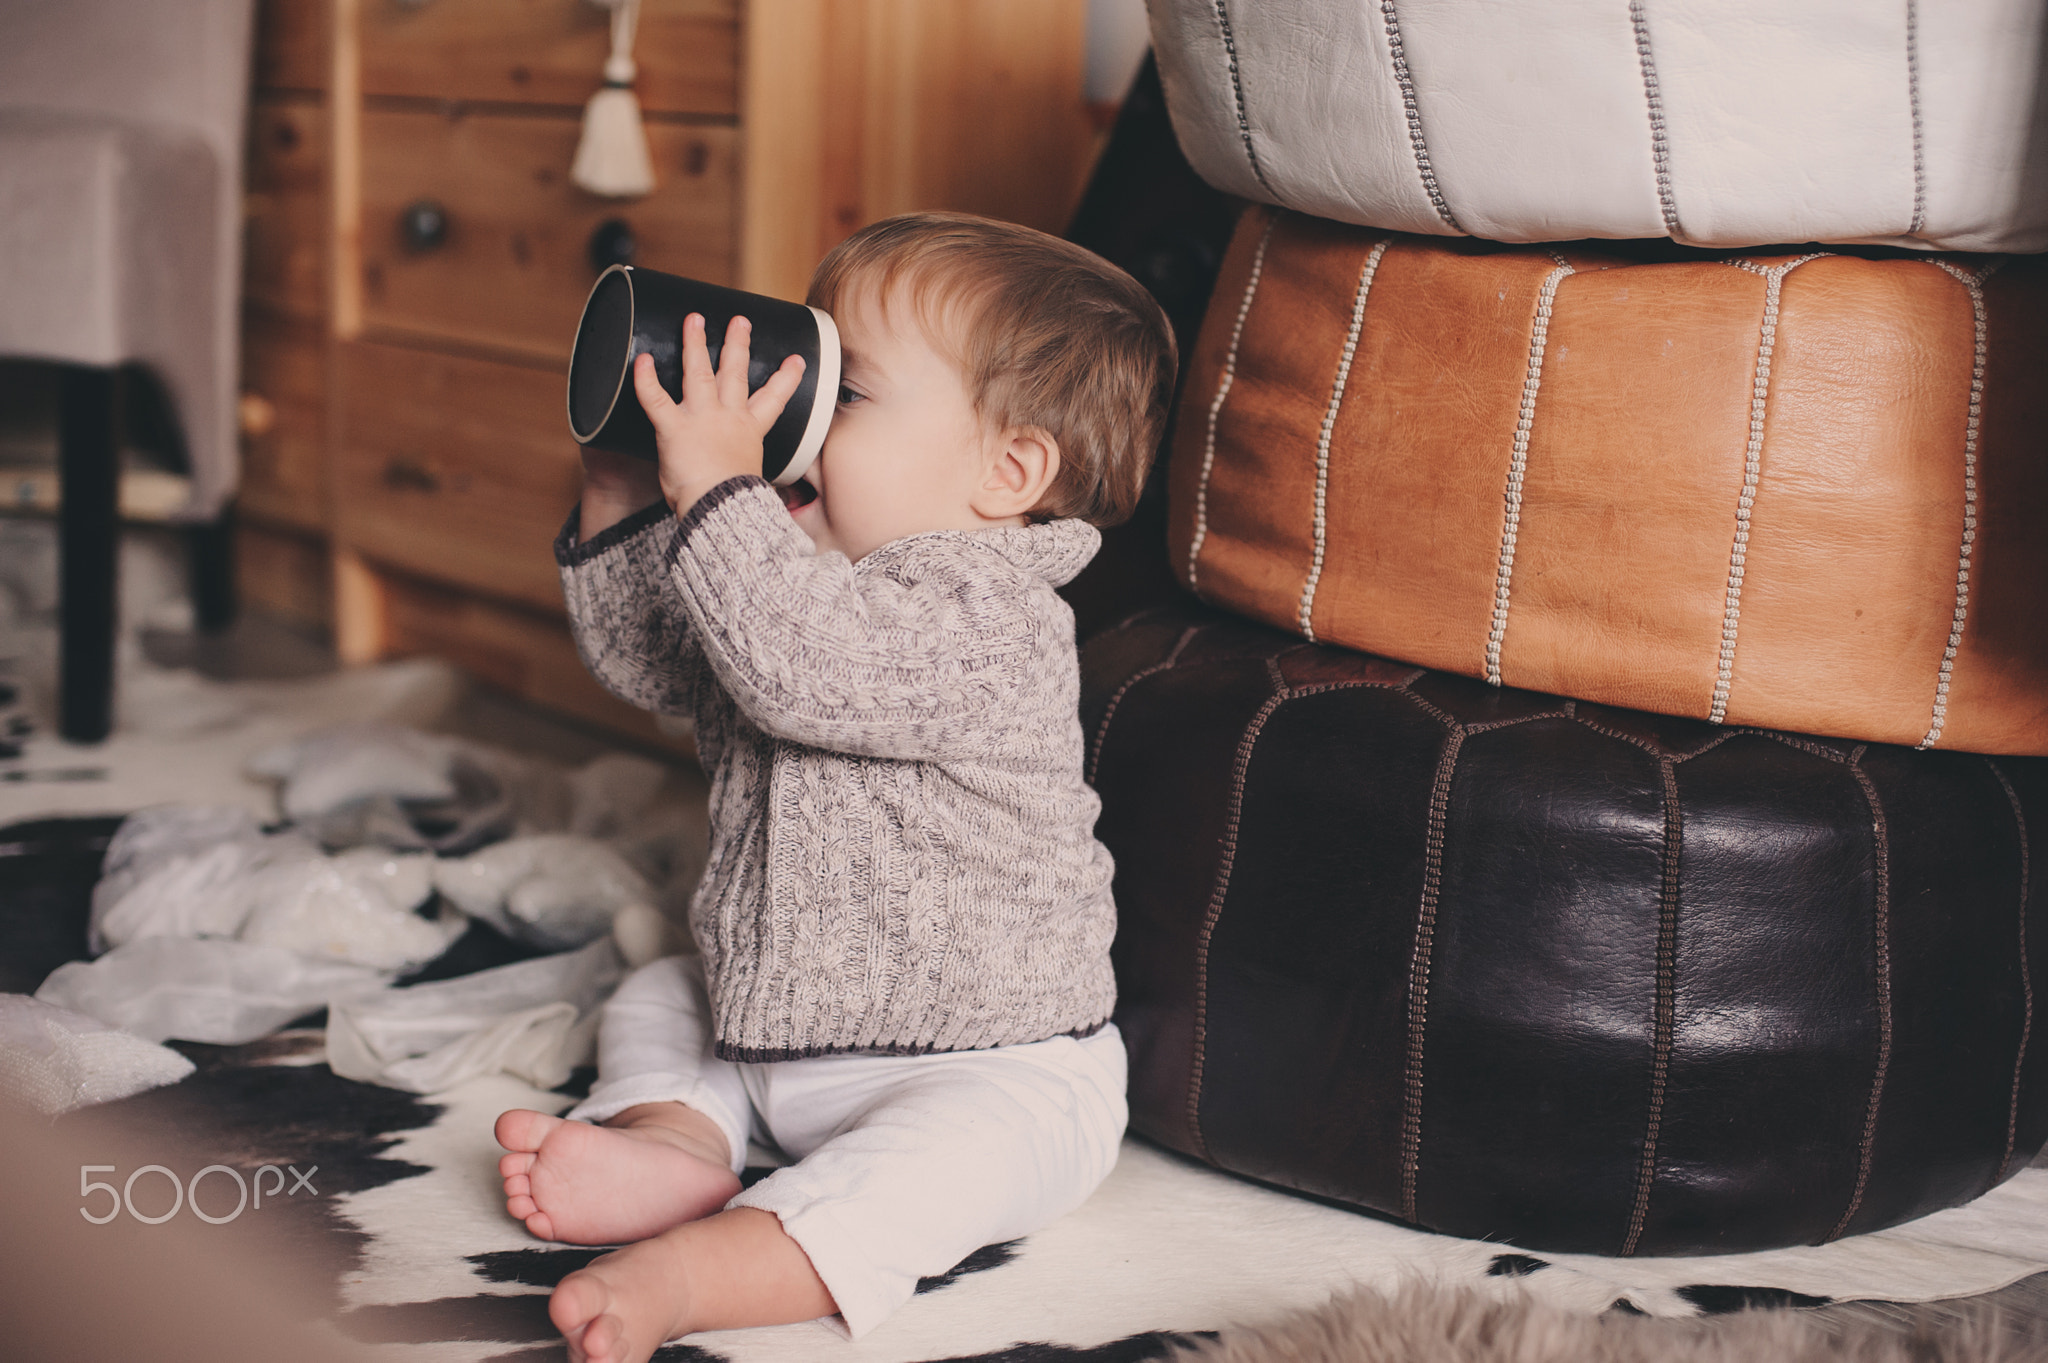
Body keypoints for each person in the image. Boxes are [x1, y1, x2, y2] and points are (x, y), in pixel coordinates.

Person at [493, 212, 1177, 1363]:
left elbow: (803, 665)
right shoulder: (791, 578)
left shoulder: (992, 616)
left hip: (986, 1061)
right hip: (780, 1030)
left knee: (950, 1164)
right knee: (663, 985)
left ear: (1007, 472)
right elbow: (656, 659)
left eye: (843, 393)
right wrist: (624, 487)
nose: (797, 414)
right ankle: (672, 1140)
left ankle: (712, 1267)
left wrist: (715, 484)